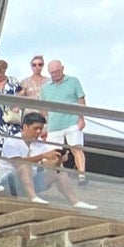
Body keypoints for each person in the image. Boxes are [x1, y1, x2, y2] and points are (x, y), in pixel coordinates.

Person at [44, 58, 87, 197]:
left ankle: (81, 175)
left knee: (76, 148)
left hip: (72, 121)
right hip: (54, 125)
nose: (54, 74)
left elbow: (81, 100)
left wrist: (81, 118)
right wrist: (44, 126)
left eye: (56, 71)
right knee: (53, 152)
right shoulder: (45, 88)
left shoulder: (73, 81)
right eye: (51, 72)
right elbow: (43, 109)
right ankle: (59, 176)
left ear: (62, 69)